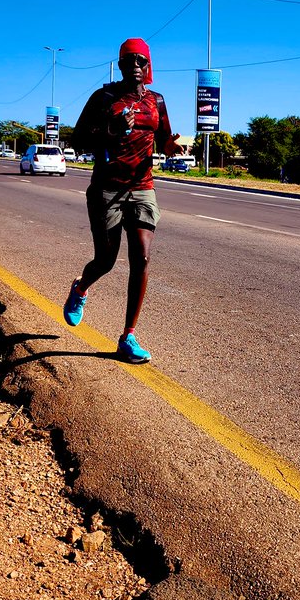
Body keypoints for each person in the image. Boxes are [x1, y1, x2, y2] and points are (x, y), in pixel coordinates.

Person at [63, 38, 185, 363]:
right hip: (107, 187)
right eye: (129, 60)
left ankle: (127, 337)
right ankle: (81, 287)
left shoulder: (157, 101)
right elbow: (76, 139)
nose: (135, 65)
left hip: (142, 187)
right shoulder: (104, 97)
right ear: (119, 65)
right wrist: (110, 129)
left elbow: (163, 135)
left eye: (141, 60)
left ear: (149, 67)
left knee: (142, 258)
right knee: (105, 260)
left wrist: (170, 147)